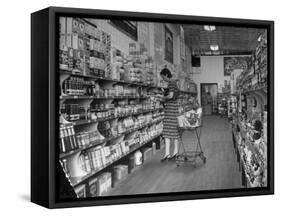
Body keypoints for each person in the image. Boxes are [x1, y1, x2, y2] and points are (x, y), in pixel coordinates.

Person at [159, 67, 180, 162]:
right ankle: (172, 153)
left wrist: (162, 97)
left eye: (163, 77)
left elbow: (171, 96)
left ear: (167, 75)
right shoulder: (173, 82)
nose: (163, 79)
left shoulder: (171, 82)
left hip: (171, 110)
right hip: (173, 109)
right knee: (172, 132)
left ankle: (169, 153)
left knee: (168, 131)